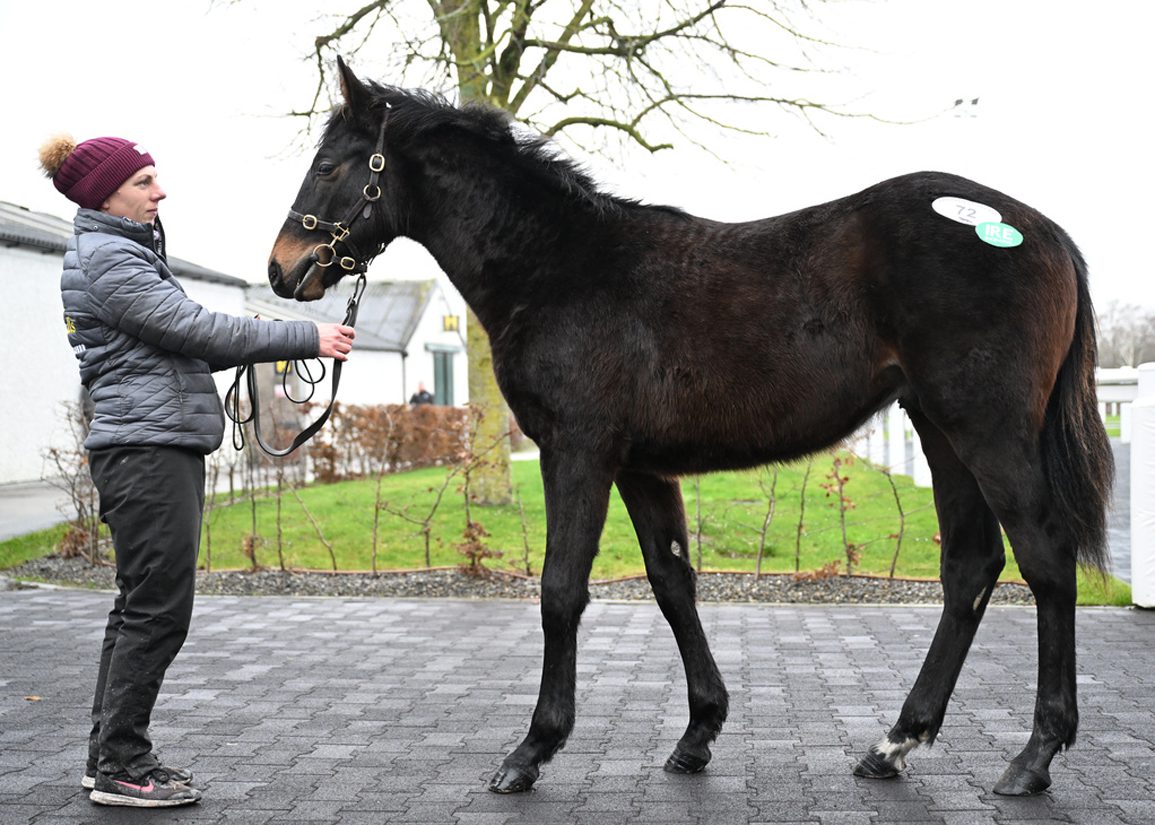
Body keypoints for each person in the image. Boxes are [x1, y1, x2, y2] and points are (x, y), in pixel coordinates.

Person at [39, 134, 356, 808]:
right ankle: (123, 766)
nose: (160, 191)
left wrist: (276, 339)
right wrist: (308, 335)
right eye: (143, 181)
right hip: (147, 451)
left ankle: (110, 759)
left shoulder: (123, 253)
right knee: (157, 611)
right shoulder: (110, 259)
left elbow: (188, 342)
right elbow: (199, 331)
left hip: (148, 446)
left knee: (138, 607)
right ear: (105, 196)